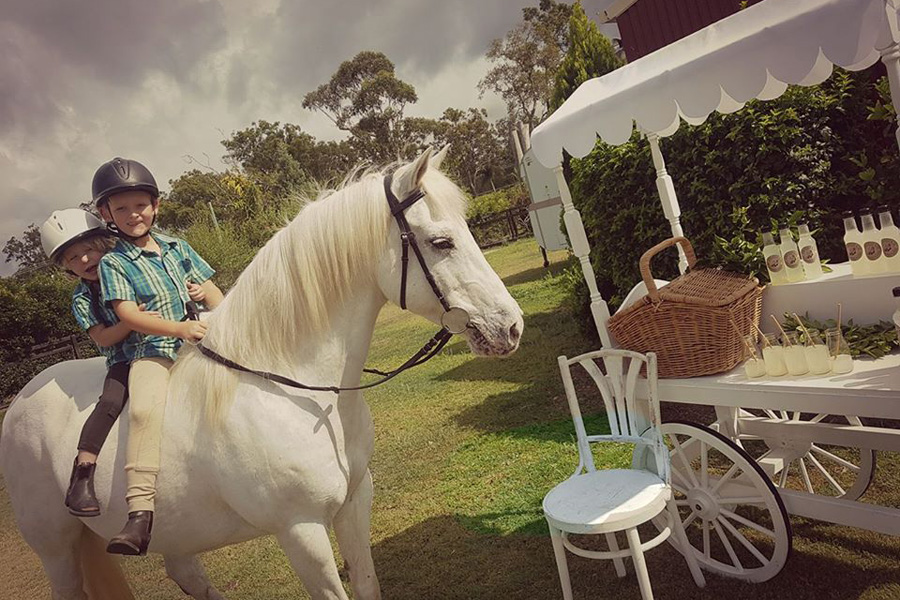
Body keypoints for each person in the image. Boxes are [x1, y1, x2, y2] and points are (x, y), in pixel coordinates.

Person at [93, 157, 225, 555]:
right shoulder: (113, 262)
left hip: (198, 336)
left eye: (140, 205)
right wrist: (178, 329)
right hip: (152, 350)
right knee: (143, 410)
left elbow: (214, 293)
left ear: (155, 206)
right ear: (106, 214)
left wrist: (206, 297)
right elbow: (128, 315)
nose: (133, 214)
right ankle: (139, 512)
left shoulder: (177, 247)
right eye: (121, 208)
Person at [39, 209, 159, 517]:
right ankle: (83, 472)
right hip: (125, 356)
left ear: (103, 244)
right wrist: (132, 321)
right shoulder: (82, 298)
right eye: (72, 257)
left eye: (89, 249)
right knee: (110, 401)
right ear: (66, 267)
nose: (84, 259)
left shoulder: (130, 267)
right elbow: (103, 338)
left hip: (163, 341)